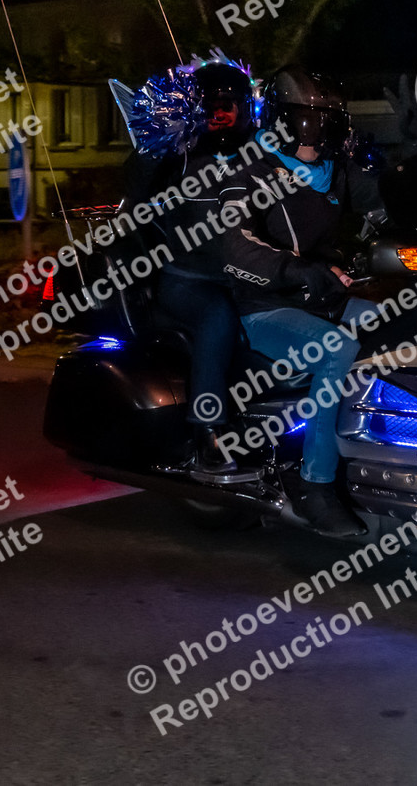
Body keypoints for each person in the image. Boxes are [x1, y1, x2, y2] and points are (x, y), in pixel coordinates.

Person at [213, 69, 381, 536]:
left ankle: (381, 454)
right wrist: (297, 270)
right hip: (264, 306)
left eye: (329, 122)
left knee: (398, 325)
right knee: (336, 350)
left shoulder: (335, 171)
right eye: (310, 121)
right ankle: (315, 486)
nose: (319, 134)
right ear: (283, 122)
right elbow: (235, 244)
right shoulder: (249, 171)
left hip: (324, 297)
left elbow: (386, 204)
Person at [123, 56, 256, 480]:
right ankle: (207, 432)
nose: (221, 113)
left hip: (247, 275)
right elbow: (135, 188)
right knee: (217, 315)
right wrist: (155, 142)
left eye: (229, 104)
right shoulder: (179, 155)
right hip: (188, 280)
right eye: (211, 105)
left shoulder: (257, 153)